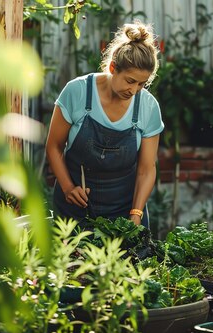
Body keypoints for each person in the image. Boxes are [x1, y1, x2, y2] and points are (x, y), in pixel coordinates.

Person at [45, 20, 163, 228]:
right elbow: (54, 147)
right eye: (130, 80)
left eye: (142, 84)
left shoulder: (148, 107)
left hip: (125, 212)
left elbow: (146, 169)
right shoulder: (77, 92)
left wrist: (136, 213)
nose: (134, 90)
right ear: (112, 68)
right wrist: (67, 188)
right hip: (74, 211)